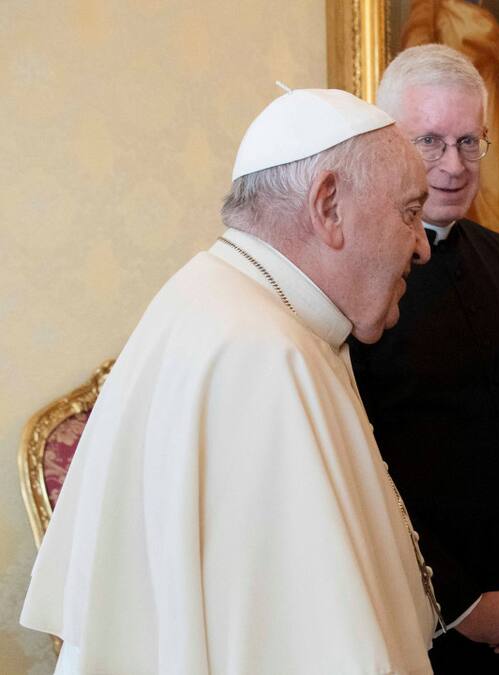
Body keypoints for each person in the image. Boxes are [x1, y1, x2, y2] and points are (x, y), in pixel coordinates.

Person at [21, 88, 439, 674]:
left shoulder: (221, 298)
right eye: (410, 211)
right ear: (328, 206)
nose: (421, 246)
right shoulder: (263, 356)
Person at [348, 44, 499, 674]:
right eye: (429, 141)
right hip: (426, 617)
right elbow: (364, 468)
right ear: (387, 145)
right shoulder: (352, 285)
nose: (453, 166)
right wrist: (460, 606)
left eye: (469, 141)